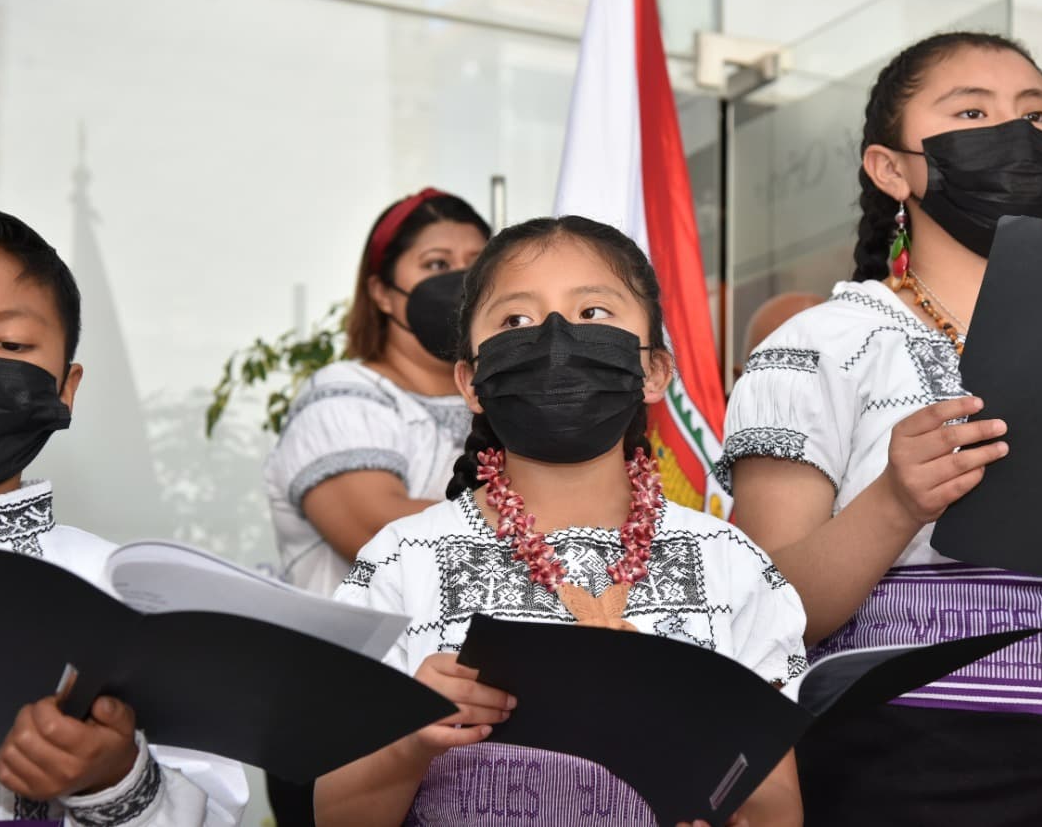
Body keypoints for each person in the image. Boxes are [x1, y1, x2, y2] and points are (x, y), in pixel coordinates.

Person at [719, 32, 1042, 824]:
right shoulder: (823, 342)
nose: (1015, 134)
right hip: (914, 762)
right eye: (972, 111)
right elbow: (766, 608)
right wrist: (895, 503)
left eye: (1037, 114)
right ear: (890, 168)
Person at [314, 215, 809, 827]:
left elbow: (775, 803)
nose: (554, 336)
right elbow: (336, 812)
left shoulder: (729, 560)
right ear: (471, 380)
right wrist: (410, 738)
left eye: (593, 312)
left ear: (655, 370)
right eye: (515, 320)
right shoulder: (401, 560)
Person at [0, 204, 247, 824]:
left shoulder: (126, 598)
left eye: (11, 344)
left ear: (64, 390)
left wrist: (115, 778)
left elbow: (212, 813)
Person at [264, 188, 490, 598]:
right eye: (436, 264)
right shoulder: (344, 398)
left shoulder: (505, 399)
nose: (461, 283)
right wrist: (545, 522)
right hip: (360, 660)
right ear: (382, 293)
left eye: (478, 267)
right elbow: (383, 537)